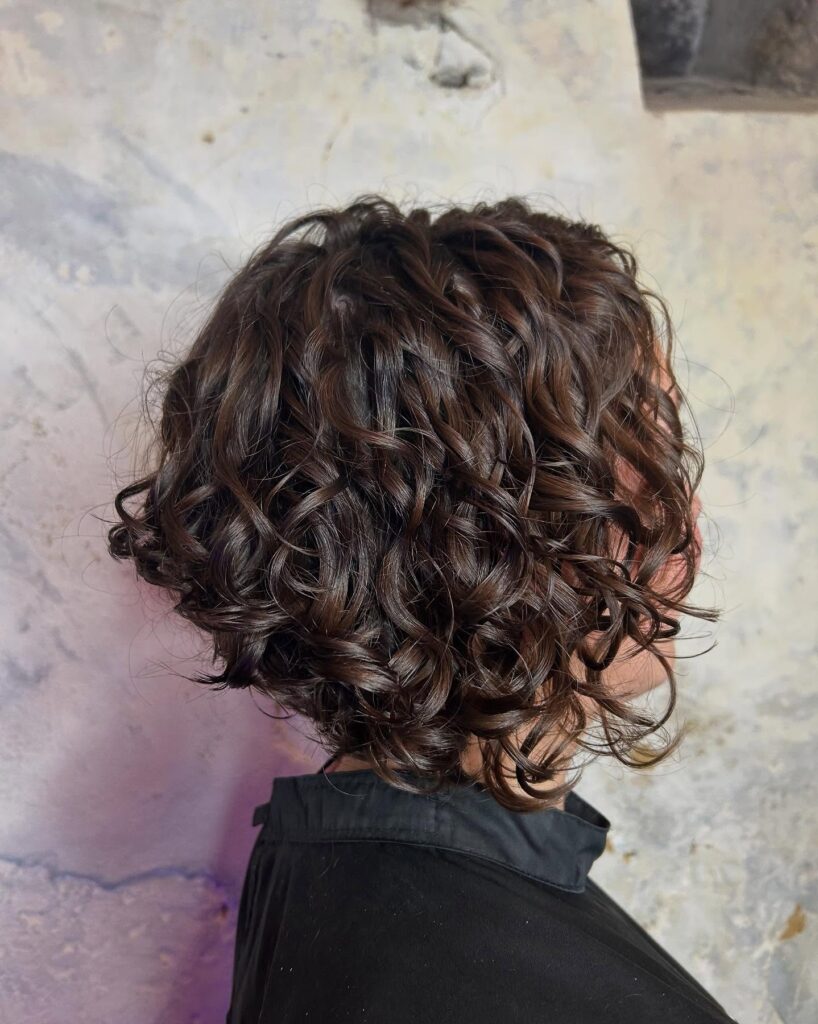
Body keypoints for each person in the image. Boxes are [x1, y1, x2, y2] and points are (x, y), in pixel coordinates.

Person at [108, 195, 737, 1022]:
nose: (685, 520)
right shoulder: (489, 986)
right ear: (482, 525)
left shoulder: (327, 854)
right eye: (644, 449)